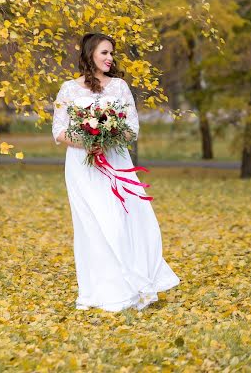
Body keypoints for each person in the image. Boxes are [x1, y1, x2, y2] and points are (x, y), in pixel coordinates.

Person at [52, 32, 180, 312]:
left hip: (116, 162)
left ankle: (131, 287)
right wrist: (87, 143)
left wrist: (105, 139)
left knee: (122, 221)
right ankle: (97, 291)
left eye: (111, 53)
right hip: (81, 166)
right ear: (90, 55)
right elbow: (59, 131)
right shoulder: (68, 89)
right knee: (91, 225)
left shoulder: (120, 87)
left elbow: (132, 128)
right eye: (104, 53)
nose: (110, 58)